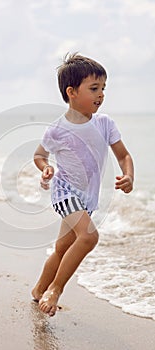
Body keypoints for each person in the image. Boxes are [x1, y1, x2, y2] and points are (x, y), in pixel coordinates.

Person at [31, 53, 134, 317]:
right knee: (88, 237)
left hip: (87, 197)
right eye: (94, 88)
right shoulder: (57, 130)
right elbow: (39, 155)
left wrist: (128, 175)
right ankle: (55, 289)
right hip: (64, 192)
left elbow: (123, 155)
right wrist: (46, 169)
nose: (101, 95)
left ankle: (38, 289)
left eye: (103, 89)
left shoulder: (105, 123)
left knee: (63, 248)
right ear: (72, 92)